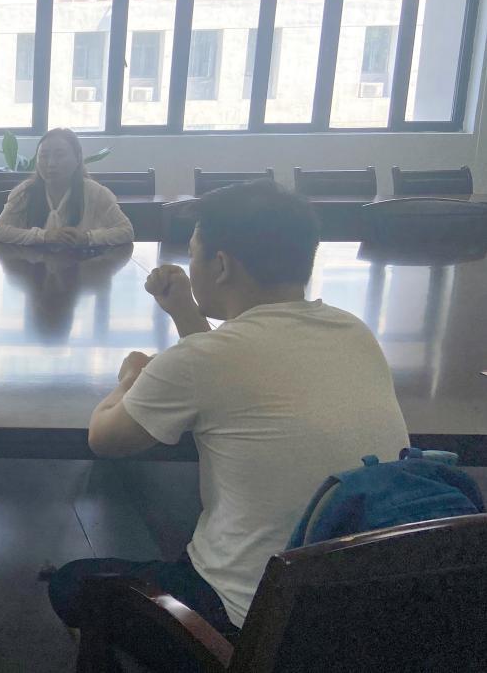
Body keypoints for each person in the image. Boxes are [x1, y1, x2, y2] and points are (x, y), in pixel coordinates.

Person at [46, 180, 409, 645]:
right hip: (372, 604)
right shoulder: (354, 331)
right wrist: (184, 310)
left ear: (221, 265)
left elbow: (105, 438)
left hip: (252, 624)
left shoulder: (202, 360)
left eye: (194, 254)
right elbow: (236, 366)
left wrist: (130, 377)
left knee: (71, 584)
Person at [0, 128, 133, 247]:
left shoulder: (95, 192)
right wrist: (44, 236)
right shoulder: (25, 192)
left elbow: (126, 231)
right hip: (33, 267)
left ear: (77, 158)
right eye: (44, 156)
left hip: (83, 267)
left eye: (60, 155)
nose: (51, 163)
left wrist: (88, 237)